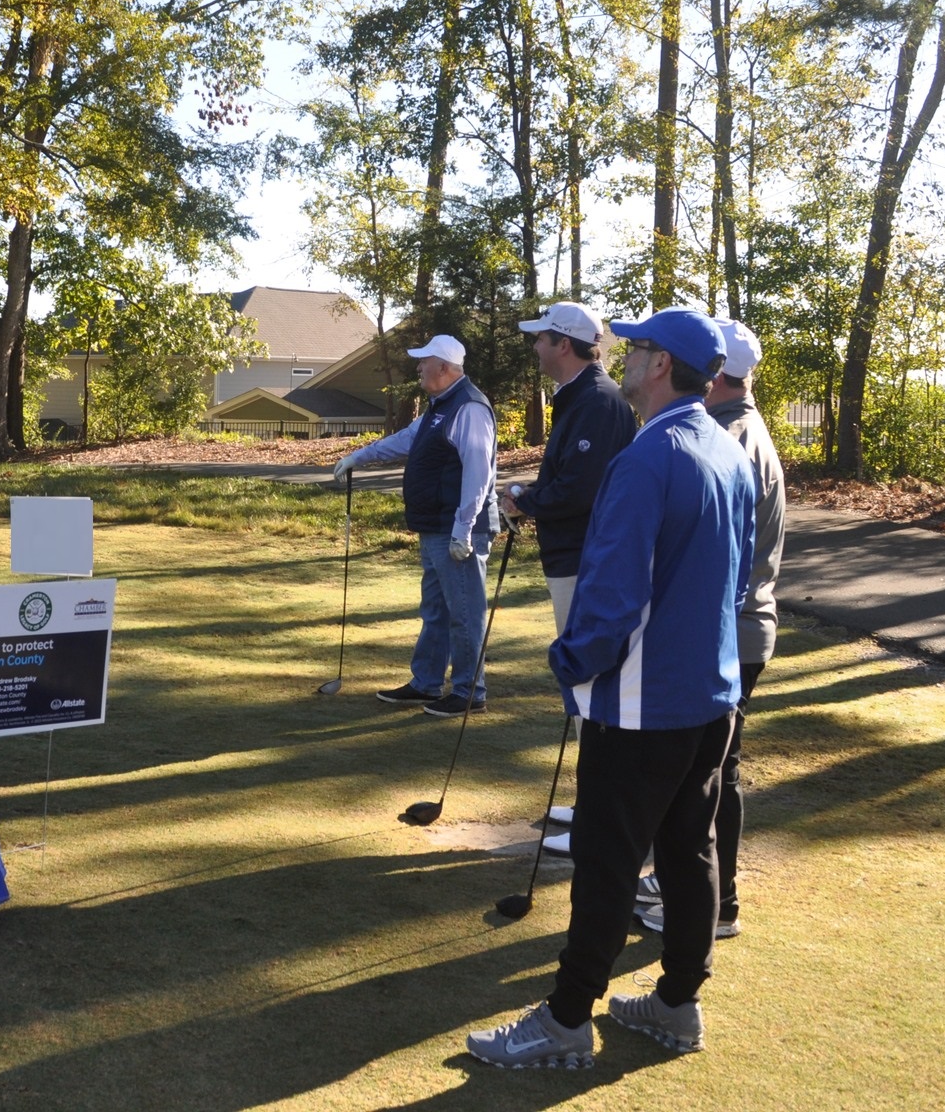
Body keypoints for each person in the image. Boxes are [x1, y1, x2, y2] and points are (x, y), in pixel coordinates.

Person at [465, 308, 756, 1070]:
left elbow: (614, 593)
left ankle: (565, 1022)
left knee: (605, 862)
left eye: (637, 348)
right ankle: (676, 1005)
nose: (623, 356)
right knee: (688, 851)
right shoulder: (726, 450)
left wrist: (571, 661)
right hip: (709, 696)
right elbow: (736, 577)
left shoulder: (649, 456)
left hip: (641, 703)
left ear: (662, 365)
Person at [637, 316, 785, 941]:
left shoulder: (730, 436)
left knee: (711, 775)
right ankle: (696, 887)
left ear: (716, 373)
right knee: (711, 770)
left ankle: (715, 902)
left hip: (731, 628)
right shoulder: (737, 427)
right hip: (736, 626)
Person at [333, 335, 501, 717]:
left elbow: (478, 473)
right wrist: (359, 456)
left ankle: (469, 691)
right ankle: (426, 682)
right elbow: (406, 441)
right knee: (437, 610)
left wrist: (463, 529)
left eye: (424, 361)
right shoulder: (440, 407)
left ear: (444, 367)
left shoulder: (469, 408)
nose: (418, 368)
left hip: (459, 530)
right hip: (436, 527)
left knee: (463, 611)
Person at [504, 302, 636, 635]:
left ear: (563, 345)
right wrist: (529, 494)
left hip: (587, 561)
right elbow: (573, 475)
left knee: (584, 675)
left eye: (540, 339)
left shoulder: (597, 401)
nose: (535, 347)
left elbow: (579, 491)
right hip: (577, 557)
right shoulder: (583, 396)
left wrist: (524, 502)